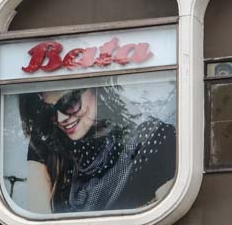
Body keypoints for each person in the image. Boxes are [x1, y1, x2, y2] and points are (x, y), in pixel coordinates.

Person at [18, 84, 175, 214]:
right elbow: (39, 215)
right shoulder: (48, 138)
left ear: (96, 88)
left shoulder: (152, 139)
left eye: (68, 102)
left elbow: (166, 208)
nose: (61, 118)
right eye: (49, 110)